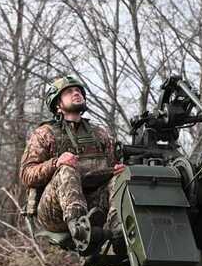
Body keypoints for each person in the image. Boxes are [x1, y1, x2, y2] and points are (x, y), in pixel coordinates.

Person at [19, 75, 125, 253]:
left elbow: (112, 170)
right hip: (54, 211)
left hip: (94, 206)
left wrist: (118, 170)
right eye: (69, 92)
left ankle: (118, 233)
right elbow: (26, 175)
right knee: (66, 168)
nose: (76, 93)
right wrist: (56, 163)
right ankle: (80, 229)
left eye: (78, 91)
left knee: (120, 177)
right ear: (58, 104)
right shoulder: (45, 133)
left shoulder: (100, 134)